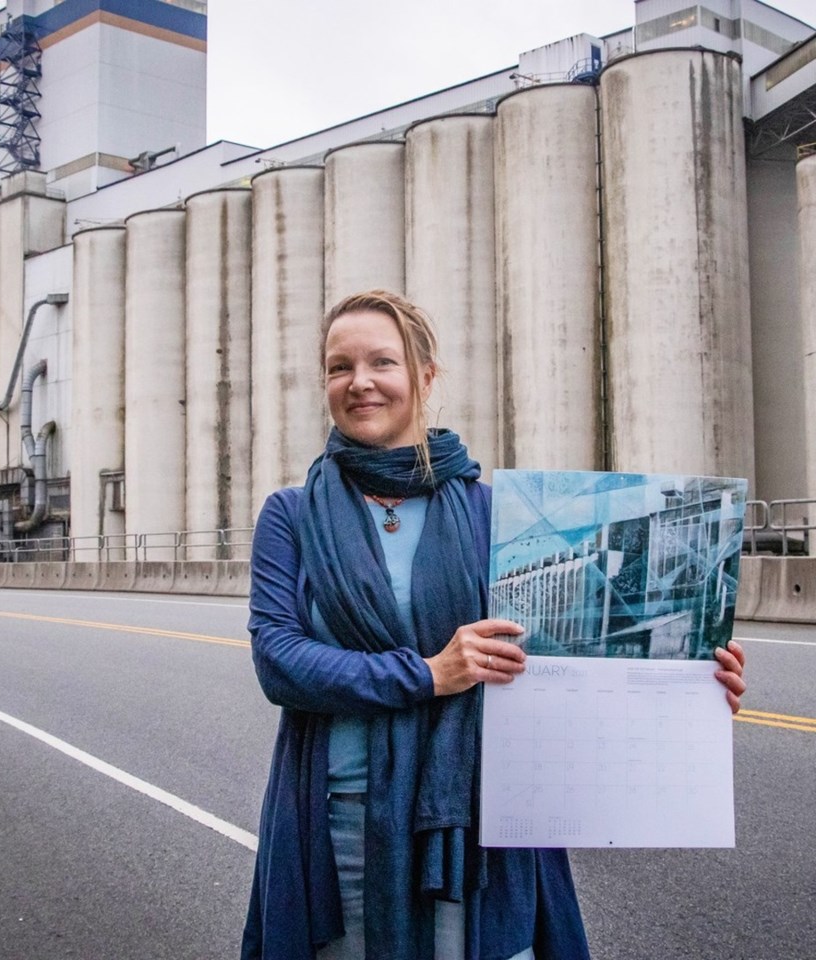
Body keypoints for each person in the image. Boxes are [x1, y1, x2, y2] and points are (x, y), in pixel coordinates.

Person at [241, 290, 747, 960]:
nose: (359, 382)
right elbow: (280, 660)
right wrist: (425, 674)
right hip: (341, 824)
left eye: (381, 362)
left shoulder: (499, 514)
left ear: (425, 377)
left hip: (478, 821)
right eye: (339, 367)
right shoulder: (292, 515)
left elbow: (563, 659)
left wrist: (686, 690)